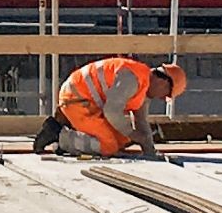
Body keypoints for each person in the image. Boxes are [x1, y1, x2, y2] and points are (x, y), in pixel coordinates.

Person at [31, 56, 187, 158]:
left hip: (89, 104)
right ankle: (59, 136)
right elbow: (112, 111)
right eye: (165, 94)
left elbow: (141, 122)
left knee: (121, 139)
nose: (161, 98)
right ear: (163, 82)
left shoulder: (144, 86)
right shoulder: (132, 78)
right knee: (109, 146)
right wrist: (135, 135)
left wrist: (150, 150)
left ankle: (73, 140)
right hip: (76, 100)